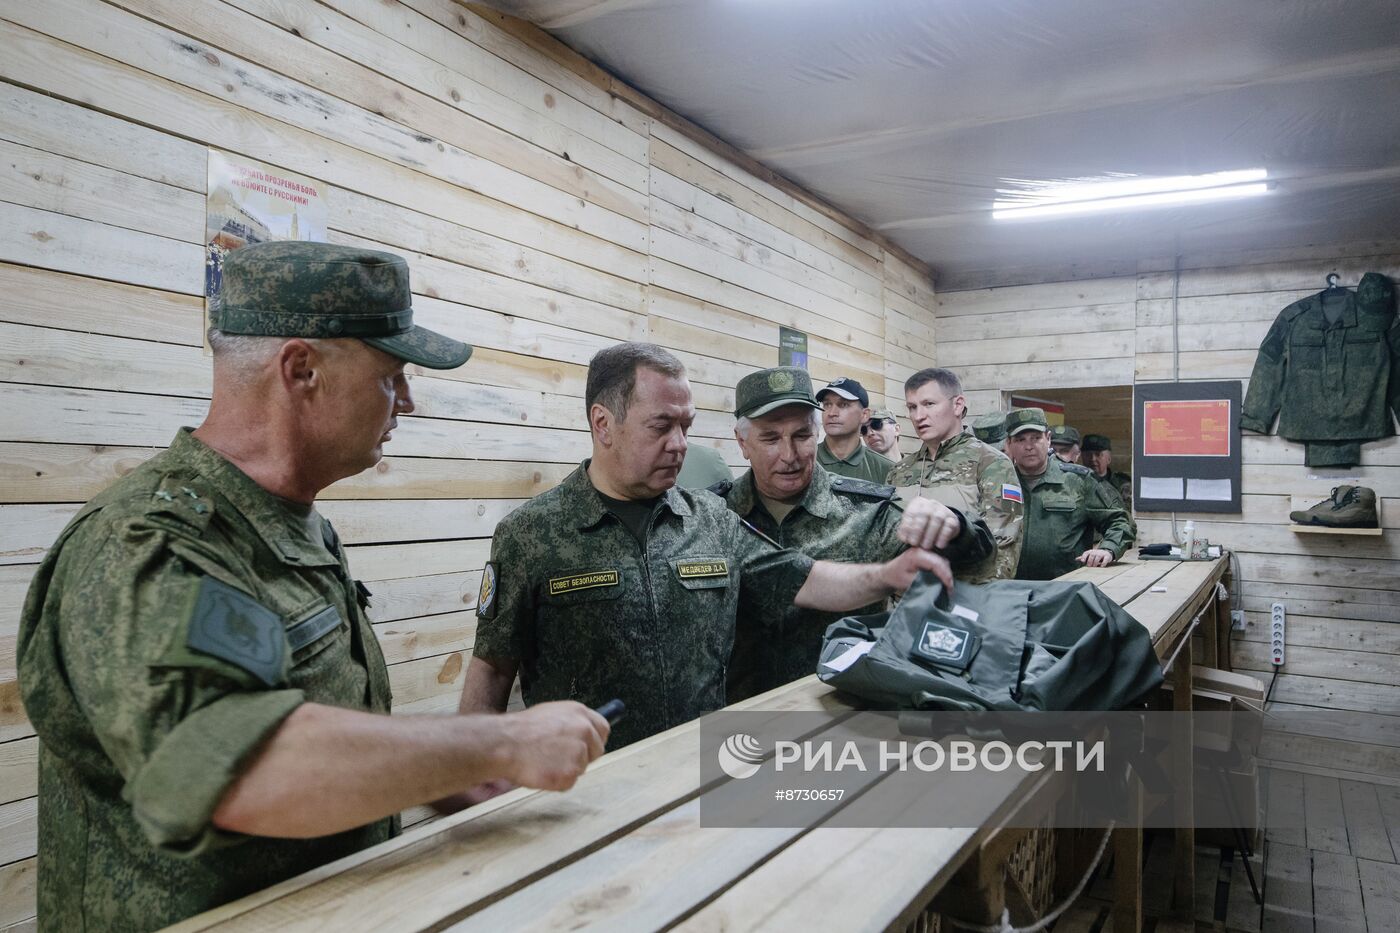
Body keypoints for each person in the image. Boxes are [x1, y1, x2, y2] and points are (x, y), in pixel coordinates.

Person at [16, 242, 611, 933]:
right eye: (392, 375)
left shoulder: (291, 525)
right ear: (301, 369)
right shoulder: (149, 545)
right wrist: (498, 743)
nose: (408, 401)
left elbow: (306, 717)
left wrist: (435, 771)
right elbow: (245, 767)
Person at [459, 345, 958, 749]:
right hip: (585, 789)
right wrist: (479, 789)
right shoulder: (532, 534)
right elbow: (490, 674)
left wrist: (888, 575)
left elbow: (801, 578)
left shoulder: (710, 519)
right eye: (661, 426)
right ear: (602, 423)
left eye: (686, 427)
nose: (680, 444)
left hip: (702, 773)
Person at [712, 367, 994, 700]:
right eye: (771, 438)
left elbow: (975, 553)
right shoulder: (714, 516)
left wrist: (954, 525)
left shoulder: (865, 509)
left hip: (845, 712)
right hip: (741, 720)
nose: (789, 455)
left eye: (801, 436)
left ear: (815, 432)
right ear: (742, 442)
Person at [888, 368, 1024, 582]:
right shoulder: (900, 470)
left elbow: (1003, 550)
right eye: (912, 407)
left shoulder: (991, 463)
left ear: (957, 405)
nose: (918, 416)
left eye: (929, 404)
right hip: (906, 602)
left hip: (965, 602)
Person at [1004, 409, 1136, 580]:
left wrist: (1108, 548)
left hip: (1066, 587)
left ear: (1048, 438)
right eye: (1020, 440)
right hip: (1011, 587)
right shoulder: (999, 481)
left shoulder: (1079, 480)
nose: (1029, 446)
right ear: (1009, 443)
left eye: (1036, 438)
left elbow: (1121, 520)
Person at [814, 377, 896, 483]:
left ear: (864, 415)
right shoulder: (804, 460)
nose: (832, 413)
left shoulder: (886, 470)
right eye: (827, 405)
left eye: (843, 404)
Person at [1082, 434, 1134, 510]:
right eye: (1088, 455)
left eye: (1098, 454)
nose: (1092, 459)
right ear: (1082, 457)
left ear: (1109, 458)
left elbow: (1126, 514)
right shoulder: (1075, 481)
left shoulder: (1122, 484)